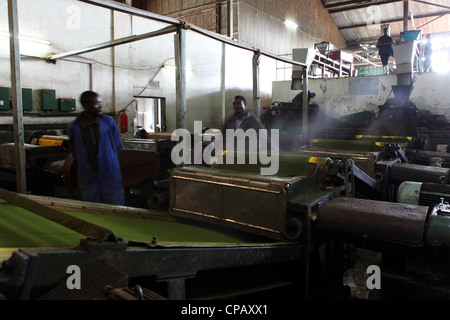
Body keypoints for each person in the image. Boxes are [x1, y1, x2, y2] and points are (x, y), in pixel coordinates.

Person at [68, 91, 125, 205]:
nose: (100, 106)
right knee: (92, 207)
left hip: (109, 173)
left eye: (100, 102)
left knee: (115, 204)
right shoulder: (74, 127)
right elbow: (75, 152)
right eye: (96, 103)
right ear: (85, 105)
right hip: (87, 174)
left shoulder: (108, 122)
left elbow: (118, 146)